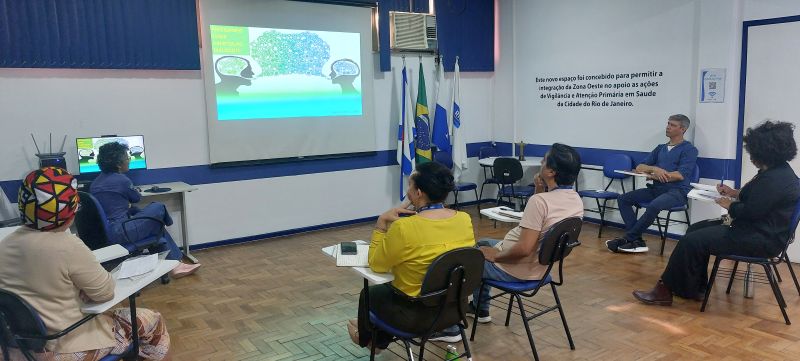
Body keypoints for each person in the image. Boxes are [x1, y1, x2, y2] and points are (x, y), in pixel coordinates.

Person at [0, 167, 170, 361]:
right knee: (152, 321)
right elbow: (105, 293)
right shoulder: (67, 245)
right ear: (70, 210)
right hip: (64, 346)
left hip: (16, 348)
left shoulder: (4, 244)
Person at [633, 120, 800, 305]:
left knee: (691, 240)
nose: (751, 156)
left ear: (765, 151)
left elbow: (751, 211)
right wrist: (734, 193)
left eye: (753, 152)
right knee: (695, 229)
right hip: (758, 230)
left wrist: (730, 205)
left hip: (760, 238)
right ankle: (694, 288)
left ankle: (664, 291)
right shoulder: (776, 172)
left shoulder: (774, 180)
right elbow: (759, 199)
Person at [347, 162, 476, 350]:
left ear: (419, 192)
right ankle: (374, 337)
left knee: (371, 294)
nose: (407, 191)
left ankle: (372, 341)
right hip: (454, 310)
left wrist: (381, 223)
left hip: (416, 317)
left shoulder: (404, 227)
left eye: (410, 186)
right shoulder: (464, 219)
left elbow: (376, 264)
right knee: (391, 292)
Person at [471, 143, 584, 323]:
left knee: (466, 261)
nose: (541, 161)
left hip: (518, 268)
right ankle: (479, 309)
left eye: (545, 160)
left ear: (551, 172)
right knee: (483, 243)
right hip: (542, 267)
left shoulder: (539, 202)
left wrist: (496, 256)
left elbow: (524, 248)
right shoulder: (576, 199)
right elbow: (544, 223)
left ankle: (453, 323)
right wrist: (539, 192)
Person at [90, 141, 200, 278]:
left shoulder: (95, 183)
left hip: (110, 232)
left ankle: (175, 266)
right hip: (121, 231)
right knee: (158, 207)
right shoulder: (121, 180)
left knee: (153, 221)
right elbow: (136, 197)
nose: (129, 160)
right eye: (127, 157)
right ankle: (175, 264)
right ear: (118, 164)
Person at [606, 114, 698, 253]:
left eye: (673, 125)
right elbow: (640, 167)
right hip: (657, 189)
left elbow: (680, 175)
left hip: (677, 192)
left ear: (683, 129)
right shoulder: (660, 148)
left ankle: (629, 238)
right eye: (668, 123)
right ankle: (637, 240)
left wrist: (655, 176)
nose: (668, 127)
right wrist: (655, 169)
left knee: (655, 205)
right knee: (623, 199)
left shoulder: (689, 149)